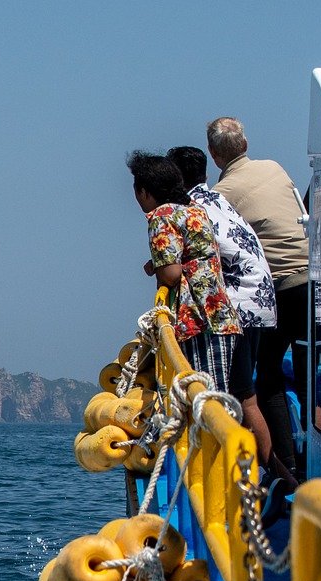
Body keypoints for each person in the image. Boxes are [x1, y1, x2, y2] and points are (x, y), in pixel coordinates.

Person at [165, 145, 295, 488]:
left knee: (237, 395)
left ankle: (265, 474)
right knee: (248, 391)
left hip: (236, 307)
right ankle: (278, 472)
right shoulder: (217, 199)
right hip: (260, 299)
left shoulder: (190, 209)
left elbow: (191, 261)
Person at [207, 117, 308, 482]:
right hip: (315, 279)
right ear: (246, 144)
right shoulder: (275, 168)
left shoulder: (223, 194)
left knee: (265, 379)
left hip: (279, 288)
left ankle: (287, 467)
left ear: (214, 155)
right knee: (314, 374)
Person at [127, 151, 242, 394]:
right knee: (221, 398)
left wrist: (158, 268)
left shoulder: (161, 216)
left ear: (145, 192)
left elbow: (171, 273)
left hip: (195, 319)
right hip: (221, 315)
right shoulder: (195, 211)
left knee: (201, 397)